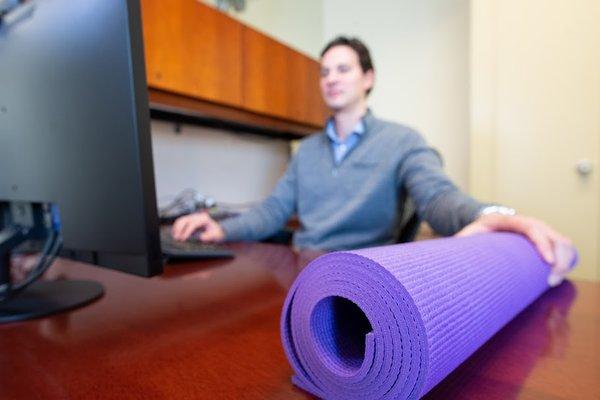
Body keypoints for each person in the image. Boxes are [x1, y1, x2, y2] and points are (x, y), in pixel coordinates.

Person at [172, 36, 574, 285]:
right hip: (301, 274)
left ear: (368, 78)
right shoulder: (307, 150)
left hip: (364, 279)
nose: (330, 77)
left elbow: (439, 198)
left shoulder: (401, 141)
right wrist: (222, 228)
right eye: (324, 70)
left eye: (343, 68)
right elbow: (275, 210)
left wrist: (493, 213)